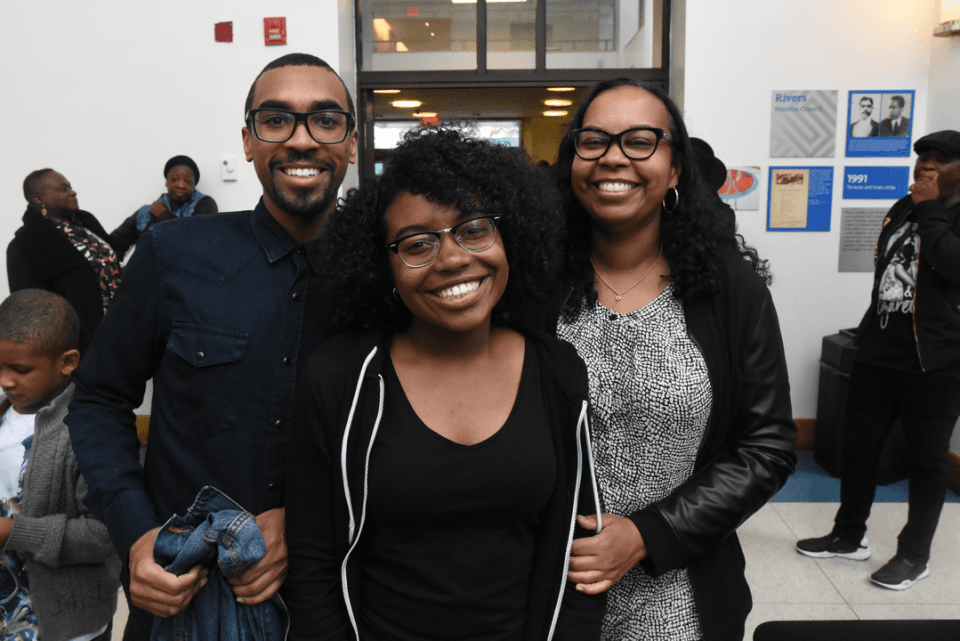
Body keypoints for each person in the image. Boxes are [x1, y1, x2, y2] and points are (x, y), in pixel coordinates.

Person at [66, 52, 358, 640]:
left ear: (352, 142)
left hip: (336, 596)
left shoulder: (385, 274)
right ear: (247, 141)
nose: (302, 140)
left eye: (325, 120)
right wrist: (138, 534)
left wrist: (303, 523)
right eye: (276, 120)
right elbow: (98, 399)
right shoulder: (172, 255)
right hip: (183, 591)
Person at [284, 127, 605, 640]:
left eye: (474, 229)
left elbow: (580, 546)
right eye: (417, 244)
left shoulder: (556, 370)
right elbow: (312, 562)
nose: (453, 259)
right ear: (383, 267)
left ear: (510, 238)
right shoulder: (341, 378)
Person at [547, 78, 797, 641]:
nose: (614, 157)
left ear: (676, 167)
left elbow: (768, 447)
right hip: (547, 591)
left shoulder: (729, 289)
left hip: (681, 598)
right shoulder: (534, 284)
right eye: (594, 140)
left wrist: (645, 535)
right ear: (573, 161)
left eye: (640, 141)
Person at [796, 130, 960, 591]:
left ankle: (914, 556)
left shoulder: (931, 210)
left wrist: (930, 207)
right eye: (922, 160)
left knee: (927, 462)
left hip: (937, 359)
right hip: (879, 350)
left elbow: (952, 265)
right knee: (859, 448)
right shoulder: (903, 209)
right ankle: (849, 536)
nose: (925, 168)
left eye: (939, 162)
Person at [0, 289, 120, 641]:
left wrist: (13, 532)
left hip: (67, 627)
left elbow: (105, 534)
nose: (6, 381)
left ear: (67, 362)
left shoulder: (91, 431)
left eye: (21, 369)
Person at [7, 169, 123, 355]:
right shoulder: (25, 244)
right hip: (81, 348)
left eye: (70, 186)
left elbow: (113, 257)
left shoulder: (86, 222)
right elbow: (29, 310)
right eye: (63, 189)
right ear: (38, 199)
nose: (72, 192)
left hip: (122, 332)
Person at [111, 155, 219, 259]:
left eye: (188, 181)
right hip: (148, 273)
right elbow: (115, 242)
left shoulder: (205, 204)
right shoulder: (146, 212)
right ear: (166, 182)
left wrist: (164, 216)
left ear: (194, 185)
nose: (181, 185)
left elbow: (200, 242)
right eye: (175, 179)